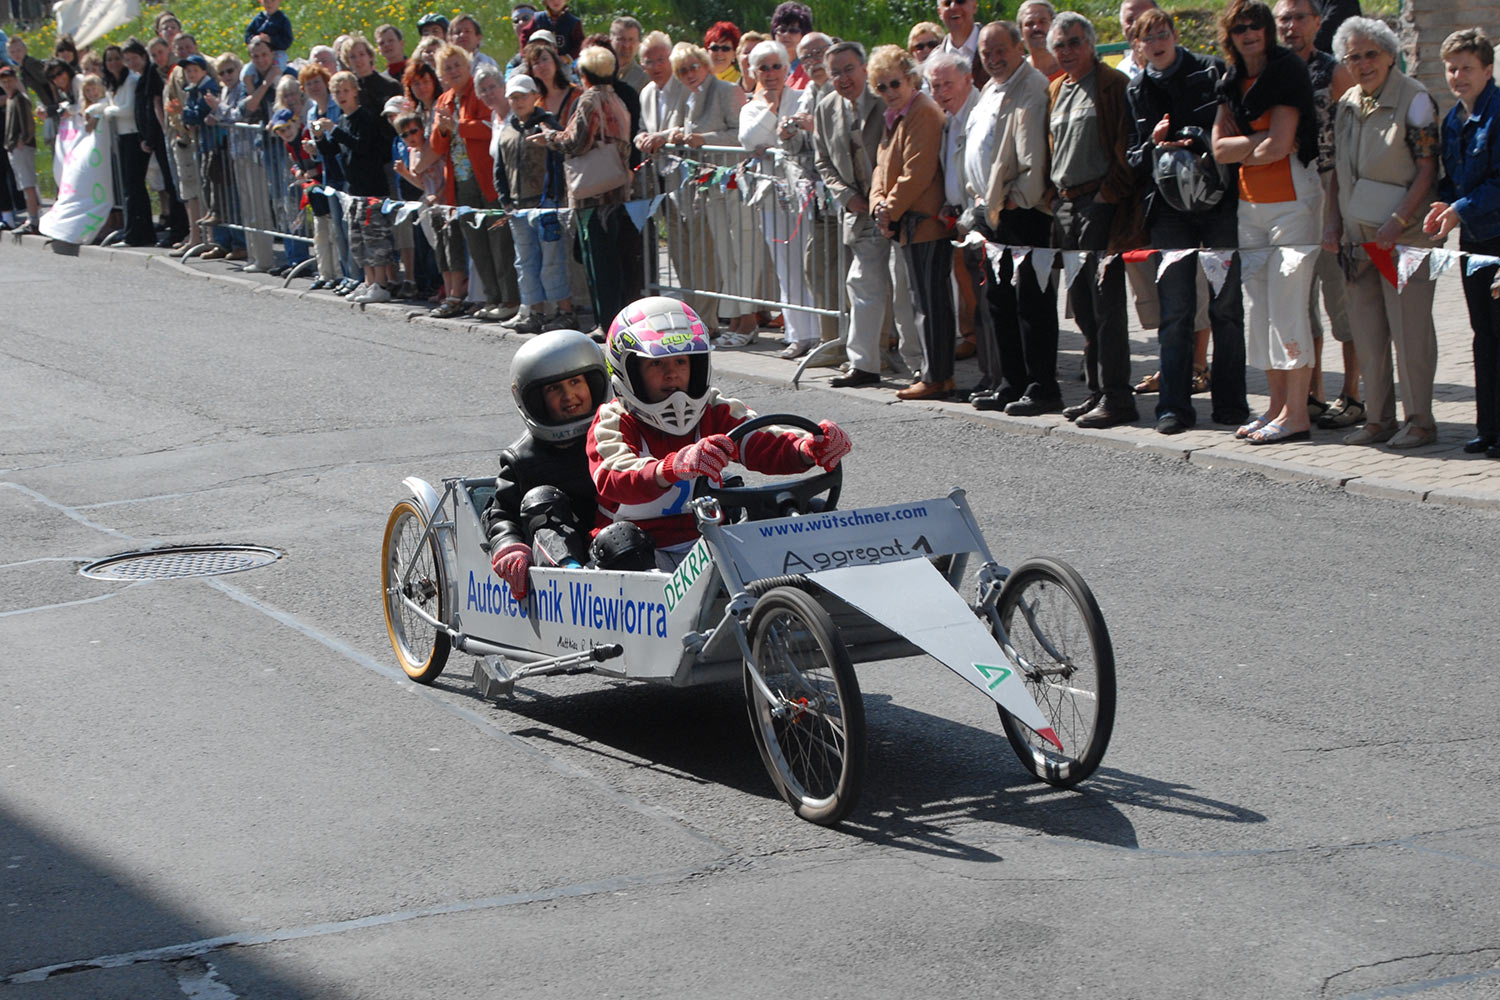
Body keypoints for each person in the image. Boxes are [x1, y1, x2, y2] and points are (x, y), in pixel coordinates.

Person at [588, 297, 852, 569]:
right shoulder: (614, 419)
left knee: (806, 514)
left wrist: (808, 449)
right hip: (642, 553)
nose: (672, 374)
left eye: (681, 361)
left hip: (710, 543)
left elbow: (763, 442)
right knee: (623, 545)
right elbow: (614, 477)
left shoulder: (714, 409)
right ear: (627, 371)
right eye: (657, 364)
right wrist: (673, 467)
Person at [1125, 8, 1248, 433]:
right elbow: (1133, 159)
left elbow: (1229, 130)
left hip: (1217, 205)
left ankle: (1231, 404)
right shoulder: (1137, 88)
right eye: (1148, 38)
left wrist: (1192, 138)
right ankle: (1173, 408)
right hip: (1168, 214)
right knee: (1175, 312)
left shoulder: (1209, 71)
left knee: (1227, 308)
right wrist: (1155, 146)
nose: (1157, 43)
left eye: (1163, 34)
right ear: (1138, 46)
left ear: (1175, 36)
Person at [1325, 16, 1440, 449]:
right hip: (1358, 238)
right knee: (1369, 333)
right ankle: (1378, 419)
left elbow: (1428, 169)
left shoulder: (1416, 99)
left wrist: (1400, 220)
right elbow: (1337, 168)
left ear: (1391, 55)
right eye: (1353, 57)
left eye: (1371, 54)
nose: (1363, 63)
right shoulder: (1348, 102)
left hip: (1404, 239)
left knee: (1410, 334)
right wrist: (1331, 221)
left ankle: (1421, 422)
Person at [1212, 0, 1319, 445]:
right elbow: (1218, 150)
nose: (1249, 32)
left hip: (1293, 203)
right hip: (1250, 207)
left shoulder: (1288, 70)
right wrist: (1259, 142)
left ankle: (1298, 414)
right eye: (1240, 27)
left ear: (1268, 31)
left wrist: (1248, 147)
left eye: (1257, 25)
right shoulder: (1230, 79)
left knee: (1289, 307)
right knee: (1262, 312)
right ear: (1230, 33)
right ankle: (1275, 408)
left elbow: (1282, 145)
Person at [1047, 12, 1142, 428]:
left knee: (1107, 308)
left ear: (1091, 43)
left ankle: (1118, 397)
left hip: (1099, 202)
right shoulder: (1056, 88)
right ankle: (1095, 391)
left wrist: (1108, 194)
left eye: (1074, 42)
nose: (1067, 51)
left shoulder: (1111, 85)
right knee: (1083, 308)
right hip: (1066, 205)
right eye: (1060, 45)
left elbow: (1126, 143)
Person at [964, 21, 1062, 417]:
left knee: (1031, 305)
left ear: (1019, 47)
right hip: (993, 214)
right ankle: (1012, 382)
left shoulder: (1031, 86)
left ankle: (1042, 387)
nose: (993, 59)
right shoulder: (990, 87)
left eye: (1000, 50)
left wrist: (1008, 203)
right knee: (1000, 302)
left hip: (1021, 214)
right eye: (986, 53)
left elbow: (1032, 164)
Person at [1275, 0, 1361, 426]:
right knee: (1301, 300)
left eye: (1298, 18)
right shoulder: (1271, 70)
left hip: (1330, 188)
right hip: (1287, 192)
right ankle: (1312, 392)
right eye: (1283, 19)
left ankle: (1354, 394)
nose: (1290, 27)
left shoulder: (1335, 71)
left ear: (1316, 23)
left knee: (1341, 296)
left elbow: (1353, 131)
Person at [485, 330, 610, 597]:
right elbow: (499, 514)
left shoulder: (619, 437)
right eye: (555, 389)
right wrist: (509, 545)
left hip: (610, 547)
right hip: (557, 561)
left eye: (576, 382)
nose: (569, 397)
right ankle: (571, 582)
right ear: (534, 401)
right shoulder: (522, 459)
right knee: (540, 500)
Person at [1427, 29, 1500, 457]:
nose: (1458, 76)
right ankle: (1487, 428)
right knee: (1482, 336)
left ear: (1487, 70)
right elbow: (1453, 180)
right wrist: (1442, 205)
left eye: (1467, 68)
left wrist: (1460, 208)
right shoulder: (1453, 120)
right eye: (1452, 68)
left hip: (1496, 237)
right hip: (1472, 243)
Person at [867, 44, 952, 400]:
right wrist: (877, 205)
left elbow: (918, 170)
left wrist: (891, 210)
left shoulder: (922, 111)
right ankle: (935, 374)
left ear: (911, 78)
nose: (888, 92)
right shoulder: (896, 116)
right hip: (907, 223)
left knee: (931, 303)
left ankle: (938, 377)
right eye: (881, 87)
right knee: (921, 301)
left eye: (894, 84)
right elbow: (880, 168)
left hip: (925, 222)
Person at [535, 44, 634, 337]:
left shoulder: (589, 100)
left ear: (585, 73)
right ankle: (613, 321)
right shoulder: (616, 98)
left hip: (593, 194)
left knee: (597, 261)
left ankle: (606, 324)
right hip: (616, 188)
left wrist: (549, 135)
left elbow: (576, 141)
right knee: (610, 262)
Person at [740, 39, 819, 360]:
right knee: (786, 265)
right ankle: (798, 334)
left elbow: (807, 134)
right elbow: (749, 140)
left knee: (811, 262)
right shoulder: (750, 106)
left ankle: (820, 332)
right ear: (753, 71)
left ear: (788, 68)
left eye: (777, 66)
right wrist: (772, 110)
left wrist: (776, 135)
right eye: (764, 68)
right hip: (771, 194)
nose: (771, 74)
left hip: (804, 191)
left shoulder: (803, 97)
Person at [664, 42, 749, 338]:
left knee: (714, 258)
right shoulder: (688, 97)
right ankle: (699, 319)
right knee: (696, 258)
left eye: (693, 66)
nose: (689, 74)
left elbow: (741, 136)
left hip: (724, 187)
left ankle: (711, 321)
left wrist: (703, 138)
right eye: (682, 70)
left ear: (705, 64)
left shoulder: (725, 90)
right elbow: (683, 133)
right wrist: (667, 136)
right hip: (696, 189)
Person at [430, 49, 518, 320]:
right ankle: (492, 298)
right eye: (447, 68)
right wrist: (444, 129)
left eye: (457, 65)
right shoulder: (444, 100)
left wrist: (458, 126)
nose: (453, 71)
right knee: (477, 246)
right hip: (460, 183)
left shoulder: (478, 90)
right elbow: (436, 145)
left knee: (499, 241)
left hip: (487, 179)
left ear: (467, 66)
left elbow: (488, 127)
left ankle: (510, 299)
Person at [494, 73, 572, 333]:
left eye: (522, 96)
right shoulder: (507, 129)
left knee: (552, 260)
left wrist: (557, 196)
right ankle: (534, 310)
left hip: (546, 204)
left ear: (534, 97)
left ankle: (564, 310)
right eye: (513, 97)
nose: (517, 102)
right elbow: (500, 169)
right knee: (525, 262)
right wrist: (504, 199)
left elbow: (561, 163)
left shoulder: (549, 125)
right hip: (517, 207)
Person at [312, 70, 398, 302]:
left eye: (346, 91)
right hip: (353, 189)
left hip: (372, 188)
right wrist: (319, 140)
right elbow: (333, 150)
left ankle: (381, 283)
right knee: (358, 240)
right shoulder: (341, 119)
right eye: (337, 92)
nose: (341, 96)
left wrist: (334, 131)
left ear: (355, 92)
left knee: (374, 238)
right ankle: (368, 281)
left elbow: (361, 146)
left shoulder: (365, 118)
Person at [1, 65, 40, 232]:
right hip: (13, 147)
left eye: (10, 81)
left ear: (16, 80)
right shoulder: (10, 99)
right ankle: (33, 217)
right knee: (24, 184)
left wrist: (22, 140)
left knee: (28, 184)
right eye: (4, 82)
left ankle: (34, 220)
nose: (7, 84)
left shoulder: (20, 98)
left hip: (21, 147)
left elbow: (28, 124)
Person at [770, 3, 814, 89]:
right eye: (782, 30)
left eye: (793, 30)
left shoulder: (811, 69)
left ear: (804, 34)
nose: (786, 34)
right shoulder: (767, 68)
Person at [1017, 0, 1062, 80]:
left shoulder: (1073, 69)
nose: (1037, 28)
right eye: (1030, 23)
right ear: (1021, 32)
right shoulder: (1014, 74)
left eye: (1043, 22)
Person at [610, 17, 647, 91]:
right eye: (621, 39)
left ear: (639, 43)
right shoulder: (598, 71)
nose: (626, 45)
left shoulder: (644, 79)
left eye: (631, 40)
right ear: (611, 40)